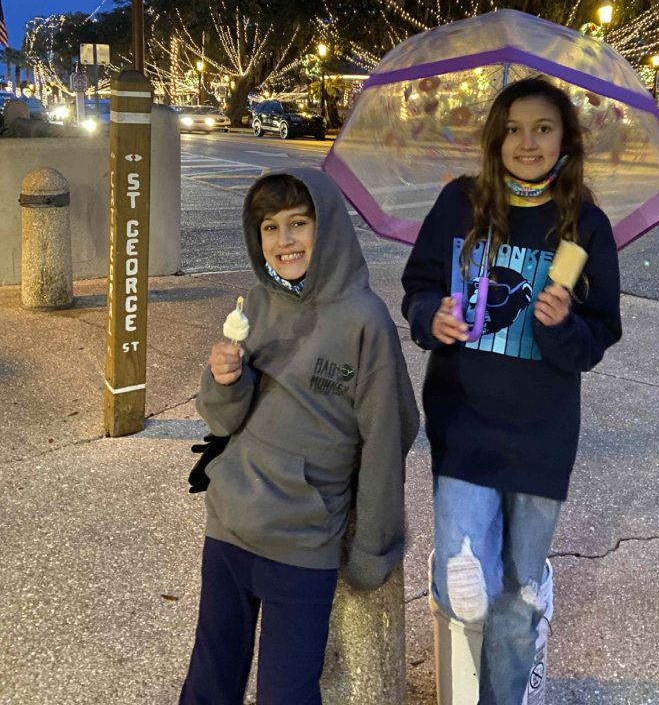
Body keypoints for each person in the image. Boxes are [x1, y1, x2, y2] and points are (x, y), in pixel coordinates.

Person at [401, 76, 622, 705]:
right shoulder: (460, 203)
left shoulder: (585, 226)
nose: (527, 143)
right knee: (464, 592)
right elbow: (417, 288)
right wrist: (433, 317)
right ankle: (454, 572)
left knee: (516, 602)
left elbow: (598, 337)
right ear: (496, 139)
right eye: (514, 130)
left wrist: (562, 326)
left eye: (542, 129)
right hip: (465, 425)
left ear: (564, 139)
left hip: (541, 438)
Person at [180, 167, 419, 705]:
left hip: (302, 542)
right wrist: (224, 381)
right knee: (210, 678)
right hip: (230, 523)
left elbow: (387, 437)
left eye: (298, 223)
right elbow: (222, 421)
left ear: (326, 226)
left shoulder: (364, 320)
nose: (284, 240)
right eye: (270, 227)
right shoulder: (255, 303)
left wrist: (374, 546)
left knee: (286, 691)